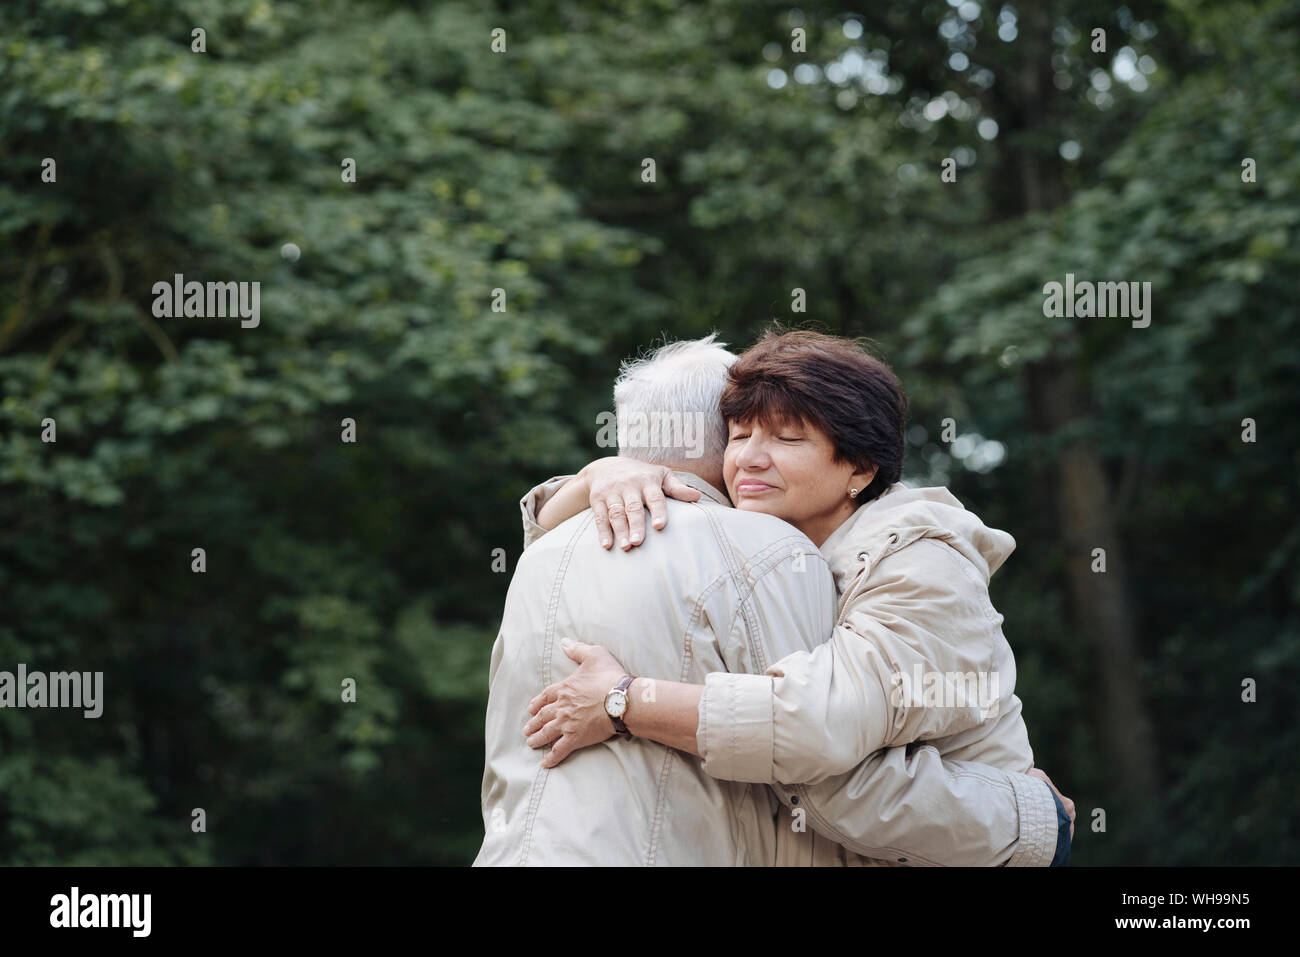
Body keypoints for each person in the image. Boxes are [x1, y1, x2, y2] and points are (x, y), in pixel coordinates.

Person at [483, 333, 1073, 866]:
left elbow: (813, 735)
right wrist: (598, 477)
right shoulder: (770, 555)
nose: (749, 459)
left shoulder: (922, 561)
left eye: (787, 438)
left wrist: (624, 703)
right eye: (740, 436)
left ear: (861, 468)